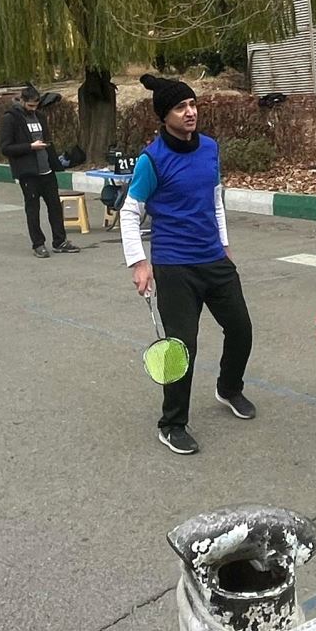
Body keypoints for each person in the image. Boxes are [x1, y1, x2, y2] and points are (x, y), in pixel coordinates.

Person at [123, 73, 256, 456]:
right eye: (181, 107)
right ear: (164, 116)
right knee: (182, 348)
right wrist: (139, 263)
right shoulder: (152, 159)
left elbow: (214, 200)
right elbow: (131, 212)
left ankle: (229, 388)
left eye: (192, 104)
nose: (190, 112)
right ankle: (172, 424)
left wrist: (224, 244)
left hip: (213, 259)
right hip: (174, 266)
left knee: (241, 329)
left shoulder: (210, 148)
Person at [0, 85, 80, 257]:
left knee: (55, 207)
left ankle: (60, 241)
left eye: (35, 106)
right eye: (30, 106)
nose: (33, 109)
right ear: (22, 101)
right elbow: (6, 148)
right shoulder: (11, 119)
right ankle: (38, 244)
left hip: (46, 170)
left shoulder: (40, 117)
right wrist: (30, 146)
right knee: (33, 209)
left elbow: (47, 140)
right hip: (28, 173)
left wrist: (55, 161)